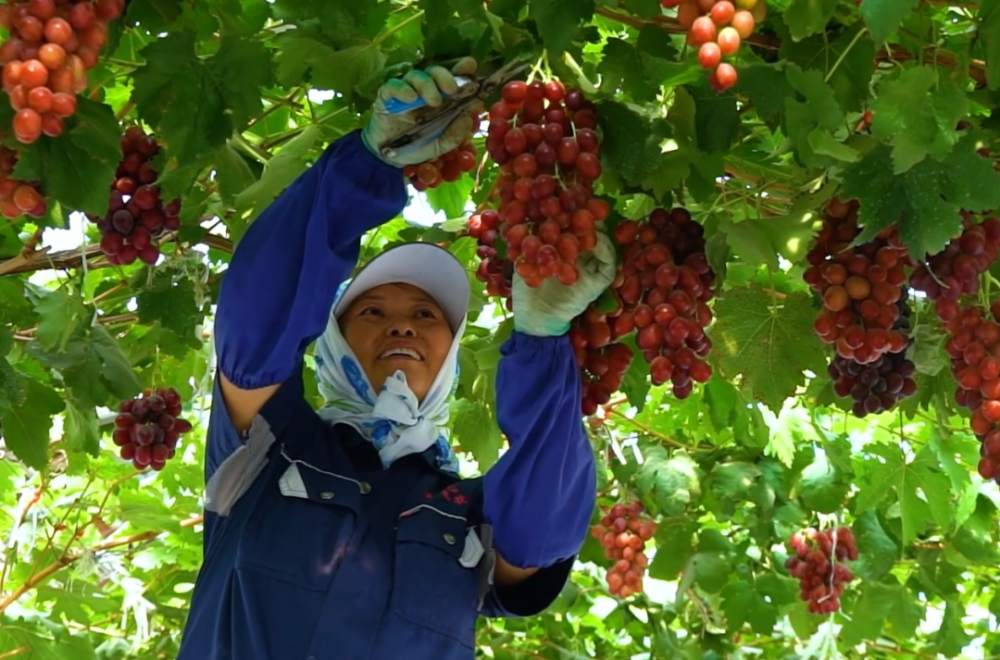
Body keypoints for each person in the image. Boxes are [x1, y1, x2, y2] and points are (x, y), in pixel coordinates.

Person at [176, 58, 616, 660]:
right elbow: (258, 316)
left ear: (452, 360)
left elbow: (544, 523)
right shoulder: (267, 449)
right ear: (331, 344)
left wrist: (542, 342)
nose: (402, 322)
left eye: (428, 316)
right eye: (372, 312)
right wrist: (364, 167)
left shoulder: (471, 515)